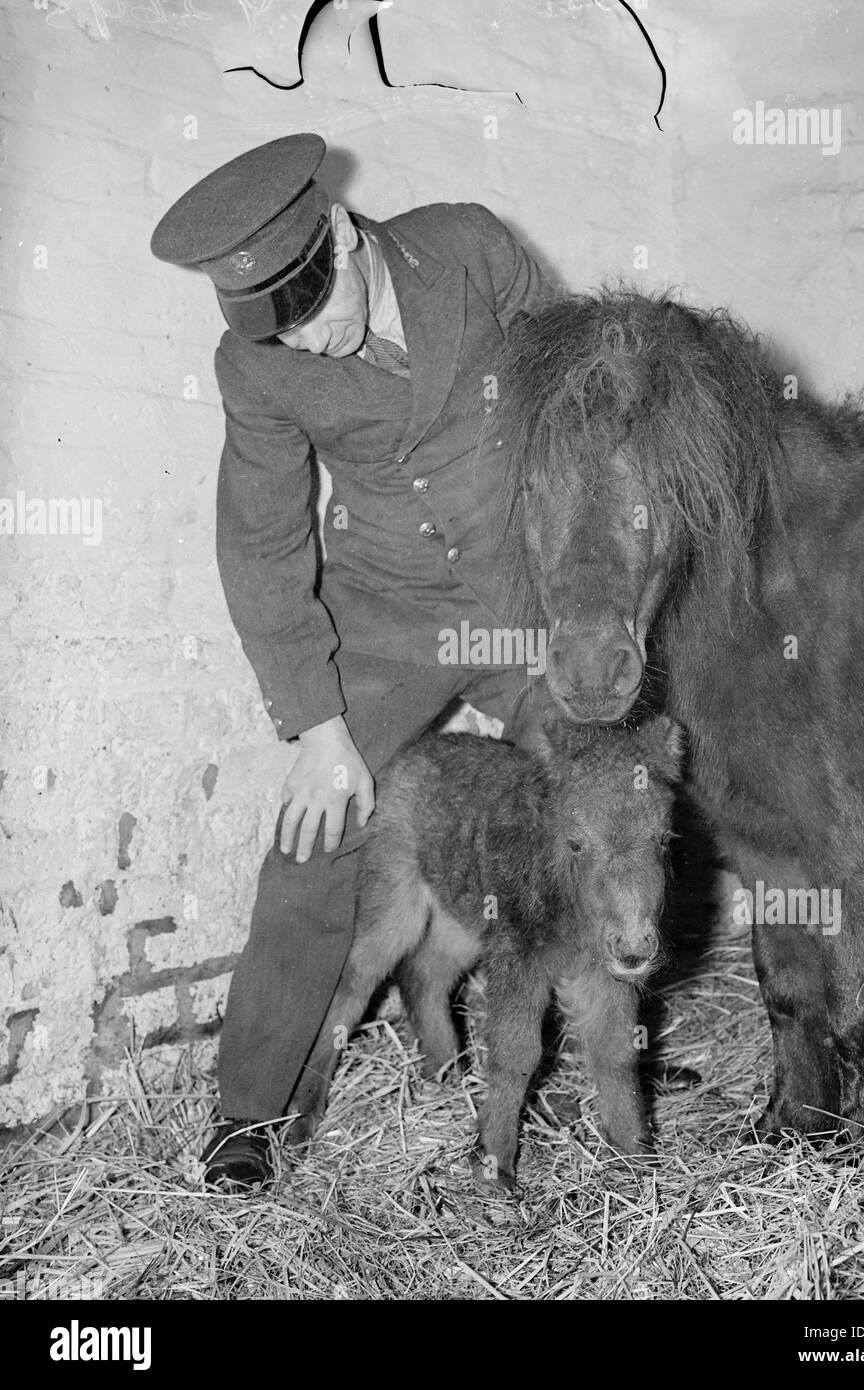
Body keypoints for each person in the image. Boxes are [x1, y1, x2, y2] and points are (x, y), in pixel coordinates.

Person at [150, 133, 556, 1187]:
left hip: (525, 591)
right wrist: (319, 731)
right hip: (386, 609)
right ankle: (251, 1111)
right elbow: (262, 538)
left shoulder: (465, 247)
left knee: (607, 795)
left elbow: (577, 395)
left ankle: (620, 1042)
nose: (308, 345)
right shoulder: (256, 364)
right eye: (274, 328)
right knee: (311, 833)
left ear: (338, 226)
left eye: (313, 307)